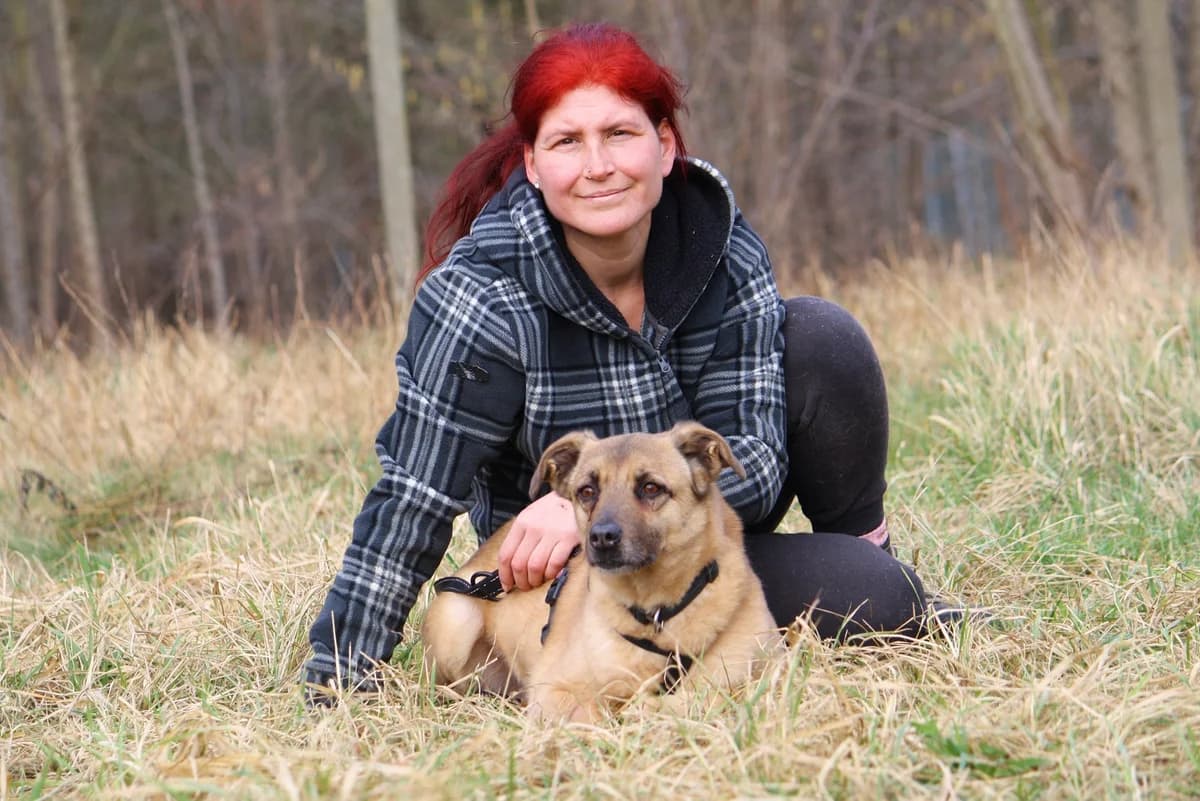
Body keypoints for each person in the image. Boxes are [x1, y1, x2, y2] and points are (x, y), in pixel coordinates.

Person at [305, 22, 931, 696]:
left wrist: (646, 498)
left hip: (694, 536)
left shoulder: (722, 247)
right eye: (567, 142)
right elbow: (415, 497)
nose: (598, 166)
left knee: (821, 339)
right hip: (564, 573)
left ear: (664, 146)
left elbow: (754, 456)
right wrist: (339, 677)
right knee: (870, 596)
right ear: (533, 163)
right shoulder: (480, 297)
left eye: (620, 134)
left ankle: (872, 563)